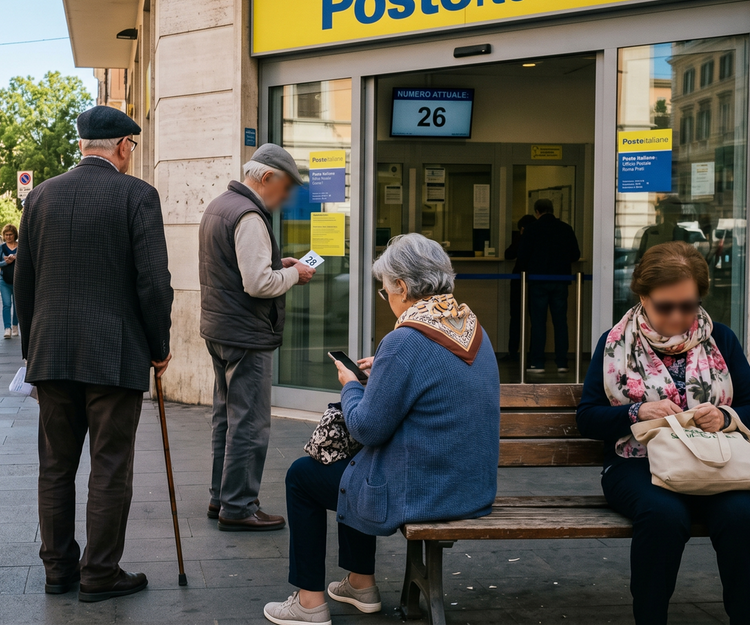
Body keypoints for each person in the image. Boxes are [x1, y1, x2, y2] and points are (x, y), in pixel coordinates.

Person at [263, 234, 500, 625]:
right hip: (473, 488)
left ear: (402, 287)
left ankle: (309, 603)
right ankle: (359, 583)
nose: (386, 297)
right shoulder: (473, 329)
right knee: (359, 465)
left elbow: (367, 429)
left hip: (429, 492)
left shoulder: (404, 340)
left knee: (302, 477)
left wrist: (351, 385)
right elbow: (431, 379)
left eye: (385, 289)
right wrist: (386, 370)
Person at [16, 105, 173, 603]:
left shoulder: (40, 196)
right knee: (110, 465)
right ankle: (100, 574)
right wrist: (160, 346)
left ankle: (58, 569)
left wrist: (32, 350)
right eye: (132, 147)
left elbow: (24, 283)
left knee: (55, 467)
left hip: (51, 353)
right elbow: (154, 283)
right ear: (123, 146)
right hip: (114, 353)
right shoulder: (137, 195)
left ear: (83, 145)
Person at [577, 241, 750, 625]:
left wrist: (724, 416)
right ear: (643, 296)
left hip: (716, 462)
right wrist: (637, 412)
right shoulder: (615, 344)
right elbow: (588, 417)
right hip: (636, 463)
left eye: (689, 305)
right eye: (666, 306)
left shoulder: (721, 339)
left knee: (743, 516)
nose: (678, 316)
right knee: (663, 515)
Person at [199, 143, 316, 532]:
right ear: (266, 178)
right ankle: (238, 506)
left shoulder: (220, 206)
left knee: (226, 417)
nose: (286, 198)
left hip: (220, 328)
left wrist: (277, 264)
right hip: (246, 334)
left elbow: (235, 269)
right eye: (286, 188)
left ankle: (221, 497)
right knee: (248, 422)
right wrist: (294, 274)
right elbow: (258, 284)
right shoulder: (249, 215)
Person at [517, 198, 580, 373]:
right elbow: (575, 254)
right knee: (561, 322)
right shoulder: (565, 228)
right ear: (553, 210)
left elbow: (522, 256)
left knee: (538, 323)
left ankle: (537, 363)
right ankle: (562, 363)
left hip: (538, 281)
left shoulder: (531, 229)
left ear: (537, 212)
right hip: (560, 281)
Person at [502, 214, 536, 361]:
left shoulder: (521, 238)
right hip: (536, 280)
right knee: (536, 320)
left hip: (519, 281)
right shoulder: (538, 238)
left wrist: (520, 237)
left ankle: (513, 351)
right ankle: (534, 354)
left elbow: (509, 254)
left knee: (516, 318)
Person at [0, 224, 19, 339]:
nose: (8, 237)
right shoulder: (1, 247)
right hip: (4, 280)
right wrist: (6, 262)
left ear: (15, 235)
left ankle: (15, 326)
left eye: (10, 234)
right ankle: (7, 328)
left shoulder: (20, 247)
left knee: (17, 305)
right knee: (6, 304)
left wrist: (16, 258)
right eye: (6, 235)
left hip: (18, 280)